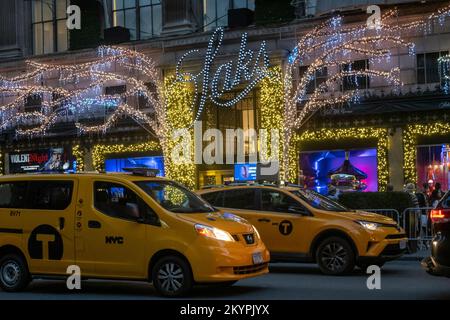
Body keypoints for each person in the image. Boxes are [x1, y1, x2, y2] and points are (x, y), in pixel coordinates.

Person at [404, 183, 419, 253]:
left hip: (405, 216)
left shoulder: (403, 195)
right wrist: (418, 214)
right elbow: (416, 206)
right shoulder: (413, 196)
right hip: (412, 216)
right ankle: (412, 246)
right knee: (413, 230)